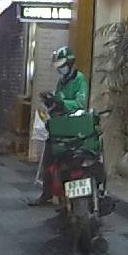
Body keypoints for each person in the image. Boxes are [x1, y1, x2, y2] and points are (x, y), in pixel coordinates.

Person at [29, 47, 88, 206]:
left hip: (72, 127)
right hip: (59, 125)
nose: (60, 69)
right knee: (49, 160)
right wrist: (51, 101)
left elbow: (79, 102)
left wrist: (63, 103)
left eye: (62, 66)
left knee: (69, 163)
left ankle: (68, 198)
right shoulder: (62, 81)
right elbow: (58, 98)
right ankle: (47, 193)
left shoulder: (79, 79)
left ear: (70, 63)